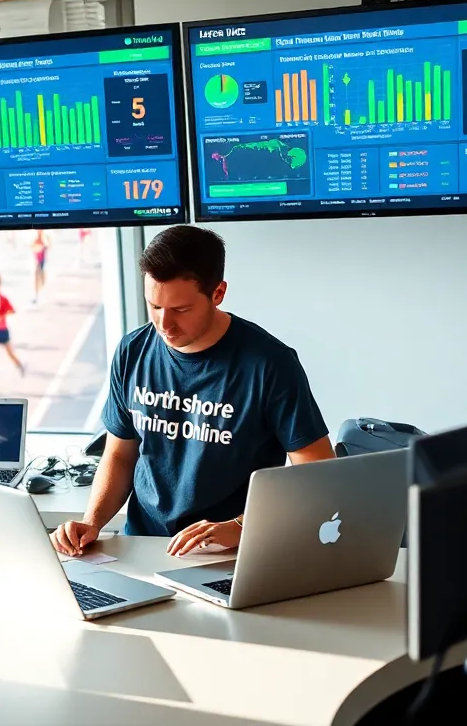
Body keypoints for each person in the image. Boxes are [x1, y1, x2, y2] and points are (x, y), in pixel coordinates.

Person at [49, 225, 334, 559]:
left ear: (218, 293)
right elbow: (119, 455)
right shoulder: (133, 350)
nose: (164, 325)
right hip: (145, 546)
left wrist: (240, 527)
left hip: (229, 552)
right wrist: (92, 522)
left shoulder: (269, 364)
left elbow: (316, 473)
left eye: (181, 310)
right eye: (154, 306)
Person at [30, 229, 51, 303]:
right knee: (36, 277)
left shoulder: (44, 240)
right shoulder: (36, 240)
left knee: (41, 278)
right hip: (37, 261)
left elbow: (48, 247)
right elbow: (32, 247)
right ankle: (36, 295)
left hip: (42, 261)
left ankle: (42, 294)